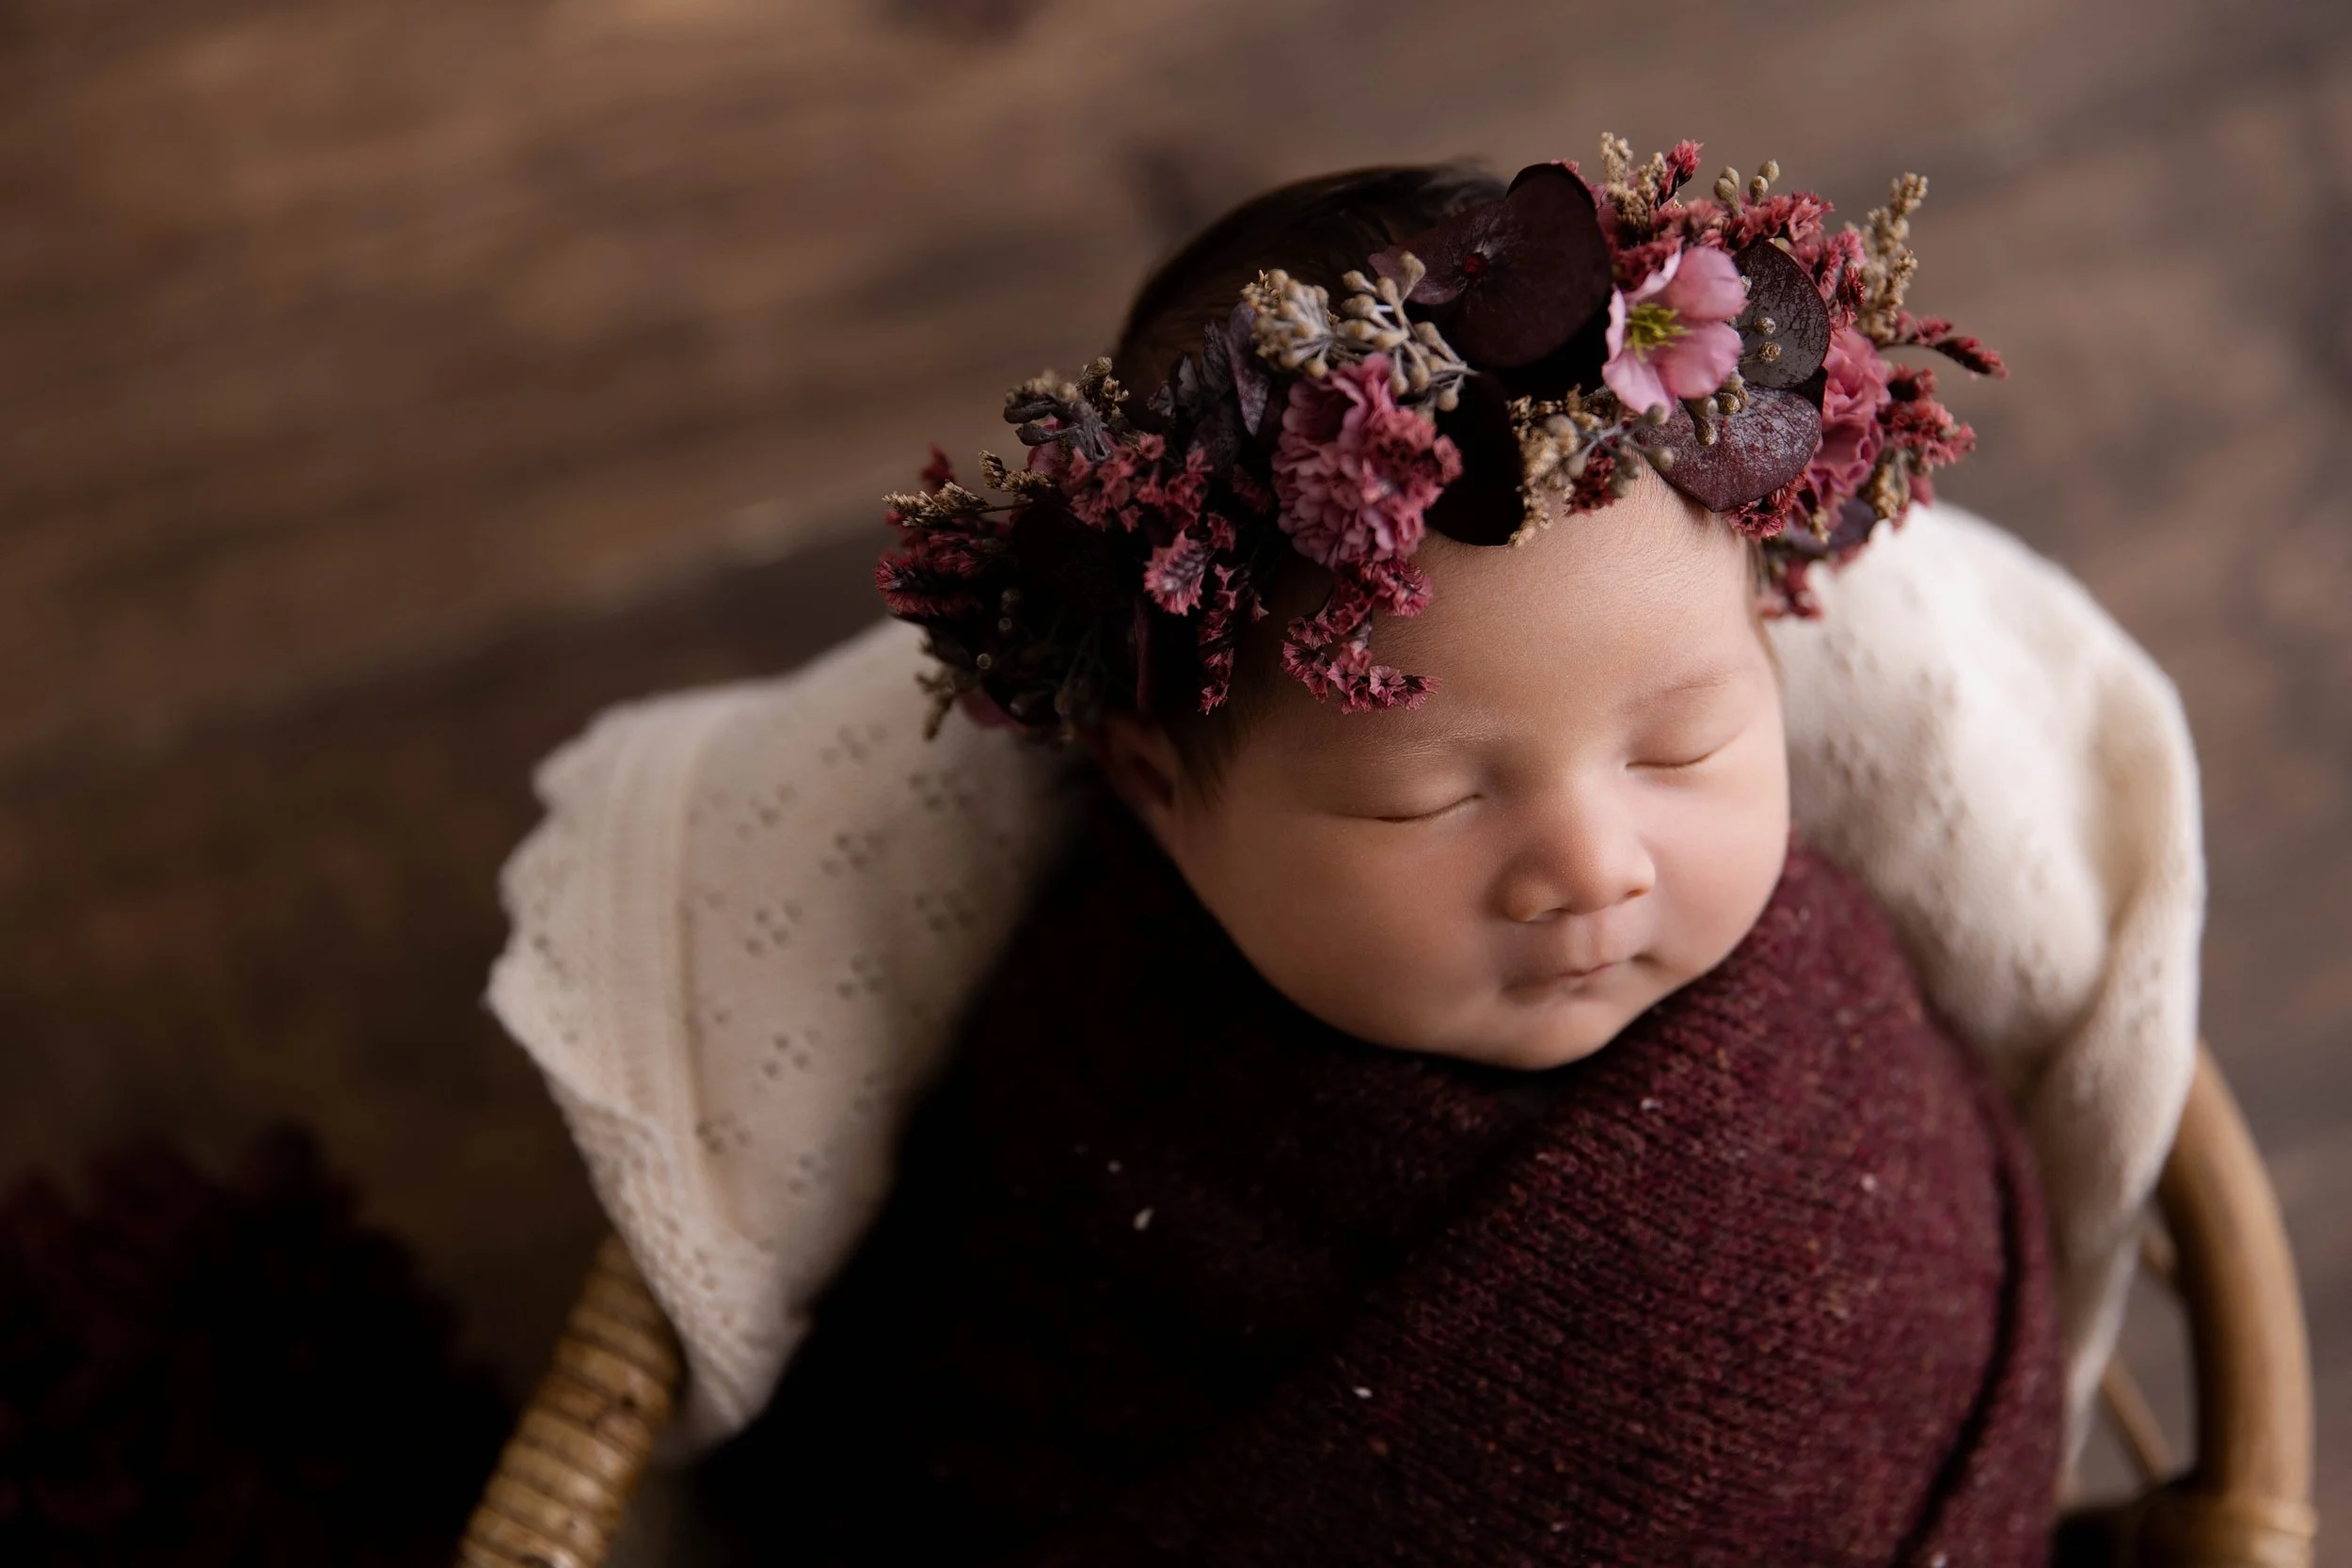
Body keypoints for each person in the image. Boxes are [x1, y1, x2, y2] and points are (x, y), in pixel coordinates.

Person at [697, 145, 2062, 1565]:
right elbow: (949, 1444)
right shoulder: (1096, 1102)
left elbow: (1938, 1310)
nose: (1593, 865)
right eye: (1428, 802)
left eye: (1682, 748)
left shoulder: (1830, 1039)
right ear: (1157, 789)